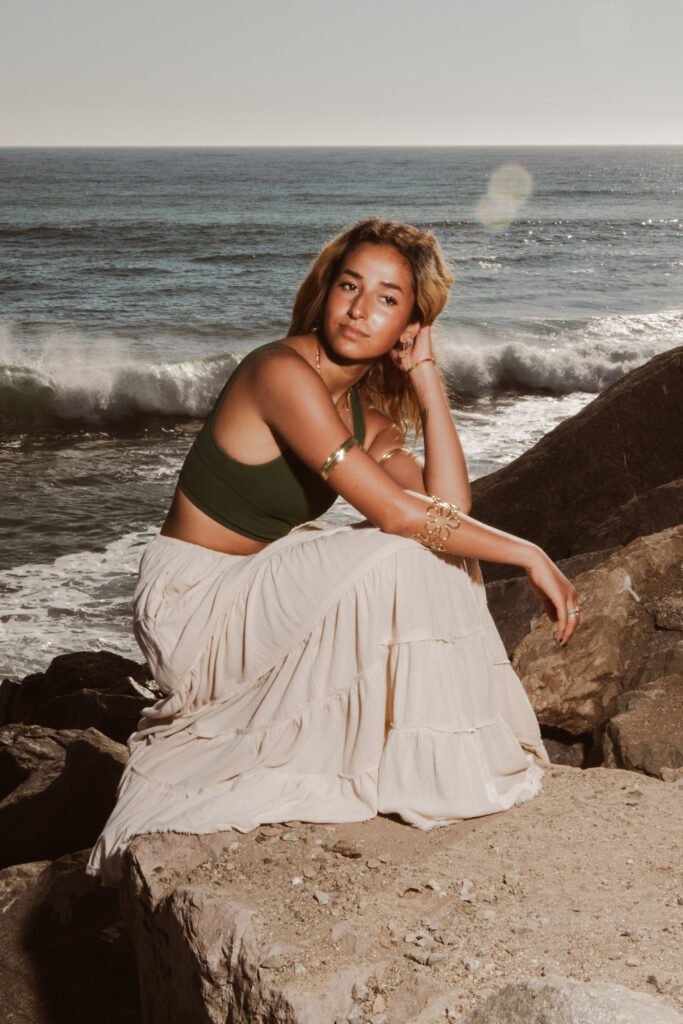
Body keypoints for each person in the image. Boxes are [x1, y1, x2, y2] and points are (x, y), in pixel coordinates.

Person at [86, 218, 581, 887]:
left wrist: (429, 383)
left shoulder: (368, 422)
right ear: (324, 291)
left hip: (253, 585)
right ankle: (433, 763)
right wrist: (526, 553)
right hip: (194, 606)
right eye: (349, 286)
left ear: (409, 324)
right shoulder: (278, 372)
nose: (358, 308)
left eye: (386, 298)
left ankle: (434, 757)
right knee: (404, 546)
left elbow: (447, 513)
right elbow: (393, 514)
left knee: (431, 546)